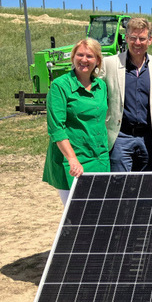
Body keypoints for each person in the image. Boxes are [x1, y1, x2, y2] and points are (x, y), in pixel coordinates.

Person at [42, 38, 109, 204]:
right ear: (73, 57)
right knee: (76, 217)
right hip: (73, 161)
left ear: (97, 61)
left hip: (99, 158)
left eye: (89, 56)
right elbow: (56, 128)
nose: (84, 60)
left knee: (99, 214)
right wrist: (72, 158)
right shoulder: (60, 86)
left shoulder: (101, 86)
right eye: (80, 55)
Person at [102, 17, 152, 172]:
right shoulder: (110, 64)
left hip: (149, 138)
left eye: (142, 38)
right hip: (120, 137)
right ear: (126, 38)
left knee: (144, 188)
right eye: (133, 38)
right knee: (119, 186)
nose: (137, 43)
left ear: (150, 40)